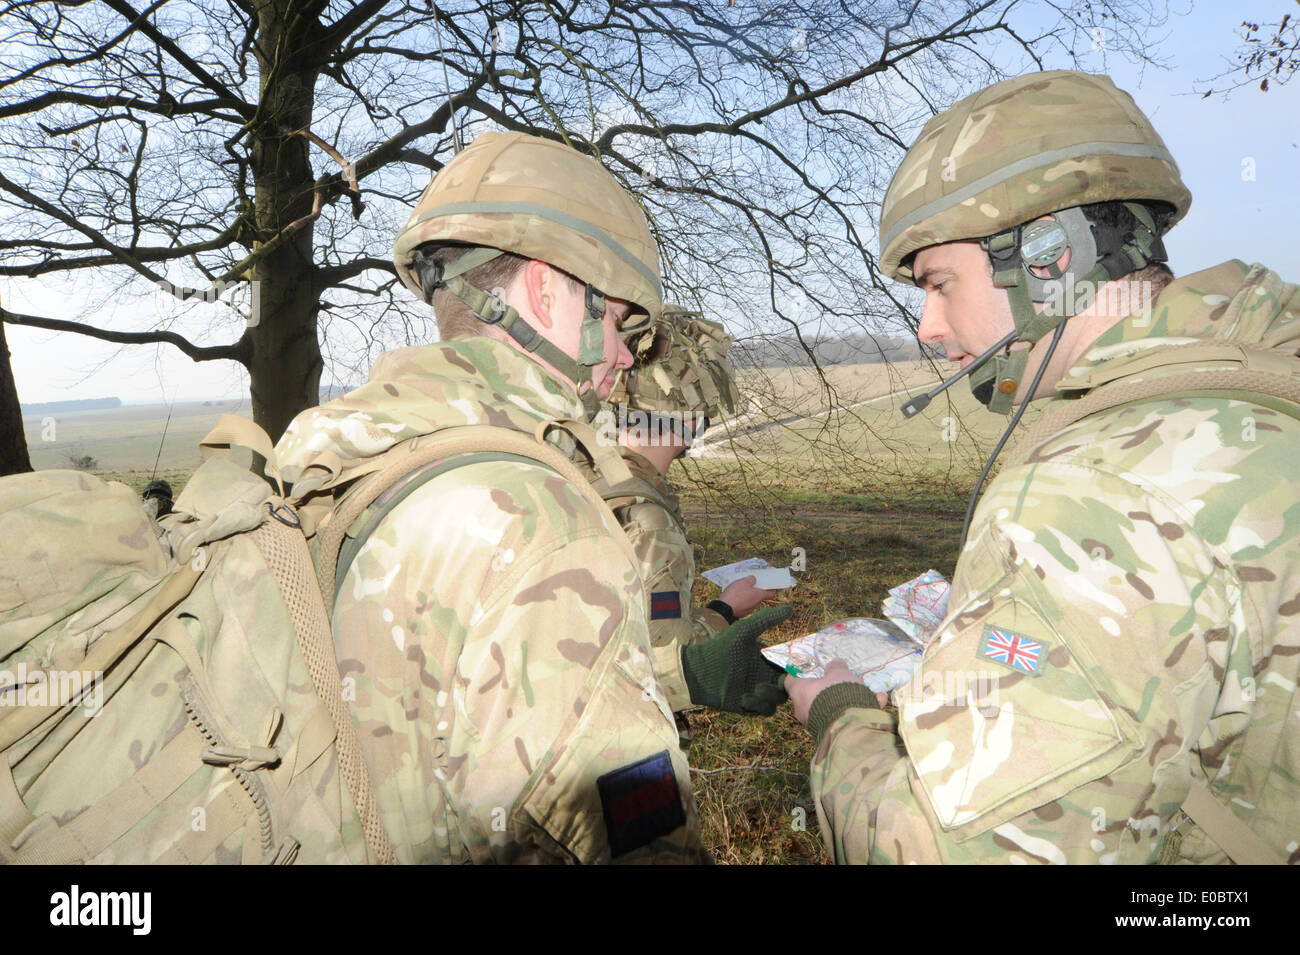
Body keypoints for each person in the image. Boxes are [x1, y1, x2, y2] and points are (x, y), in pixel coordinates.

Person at [786, 70, 1300, 864]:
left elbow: (935, 852)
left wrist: (839, 715)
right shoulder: (1264, 390)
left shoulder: (1089, 494)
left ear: (1050, 259)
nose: (927, 326)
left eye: (938, 283)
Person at [272, 131, 714, 864]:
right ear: (545, 290)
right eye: (620, 320)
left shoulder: (319, 456)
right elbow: (636, 839)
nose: (628, 354)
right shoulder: (542, 524)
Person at [582, 307, 780, 729]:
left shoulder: (584, 473)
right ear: (692, 417)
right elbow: (663, 670)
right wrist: (726, 610)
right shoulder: (647, 520)